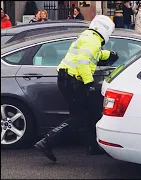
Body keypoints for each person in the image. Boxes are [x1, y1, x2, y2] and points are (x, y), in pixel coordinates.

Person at [34, 15, 119, 162]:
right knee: (79, 116)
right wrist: (89, 83)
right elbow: (83, 62)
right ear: (105, 30)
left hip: (67, 79)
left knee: (87, 114)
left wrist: (109, 55)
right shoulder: (92, 40)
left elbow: (93, 55)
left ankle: (92, 146)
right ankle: (47, 141)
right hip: (72, 80)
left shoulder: (89, 37)